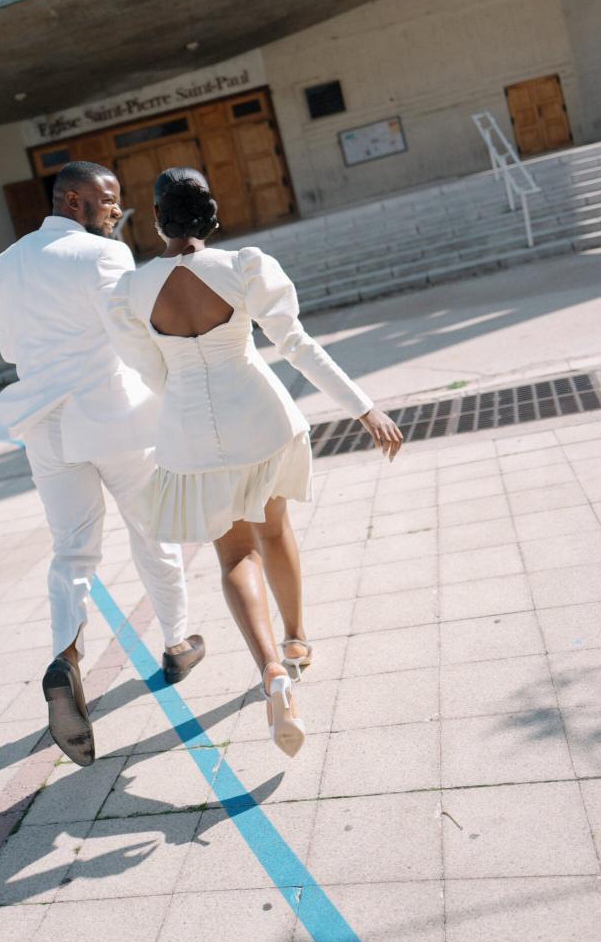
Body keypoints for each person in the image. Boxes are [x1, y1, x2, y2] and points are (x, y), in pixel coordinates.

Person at [106, 168, 403, 757]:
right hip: (262, 420)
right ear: (210, 212)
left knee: (234, 554)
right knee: (276, 530)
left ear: (157, 218)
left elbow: (151, 373)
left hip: (191, 436)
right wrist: (364, 408)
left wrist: (189, 401)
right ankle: (296, 642)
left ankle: (270, 670)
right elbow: (296, 346)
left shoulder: (129, 292)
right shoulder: (244, 266)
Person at [0, 161, 205, 767]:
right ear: (73, 201)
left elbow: (8, 347)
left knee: (72, 549)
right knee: (152, 529)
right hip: (111, 415)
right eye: (108, 199)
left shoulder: (8, 261)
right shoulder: (105, 255)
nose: (116, 208)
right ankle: (177, 643)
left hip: (43, 424)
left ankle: (65, 658)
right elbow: (132, 334)